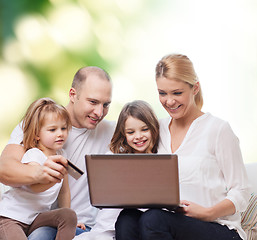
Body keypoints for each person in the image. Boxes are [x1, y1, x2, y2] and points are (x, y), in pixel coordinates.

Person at [115, 54, 251, 240]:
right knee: (127, 218)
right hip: (169, 224)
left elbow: (242, 191)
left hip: (218, 228)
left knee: (153, 219)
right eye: (162, 93)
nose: (169, 101)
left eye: (177, 93)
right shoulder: (157, 129)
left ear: (195, 88)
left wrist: (208, 212)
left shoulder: (218, 129)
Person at [0, 66, 116, 239]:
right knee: (39, 236)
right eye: (92, 102)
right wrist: (40, 173)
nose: (99, 113)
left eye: (106, 104)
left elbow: (147, 127)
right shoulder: (39, 123)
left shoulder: (113, 131)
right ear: (73, 94)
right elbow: (5, 169)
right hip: (34, 222)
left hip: (82, 226)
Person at [73, 100, 160, 240]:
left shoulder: (161, 159)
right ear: (124, 134)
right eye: (131, 132)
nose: (138, 136)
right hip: (106, 227)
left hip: (137, 227)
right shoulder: (114, 157)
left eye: (144, 129)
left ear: (153, 128)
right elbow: (101, 197)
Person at [0, 97, 77, 240]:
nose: (60, 133)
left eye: (63, 128)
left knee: (69, 215)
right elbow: (35, 187)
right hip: (11, 218)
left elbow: (64, 191)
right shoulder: (34, 154)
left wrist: (71, 218)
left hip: (34, 219)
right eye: (52, 129)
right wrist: (55, 177)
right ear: (37, 134)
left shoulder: (62, 155)